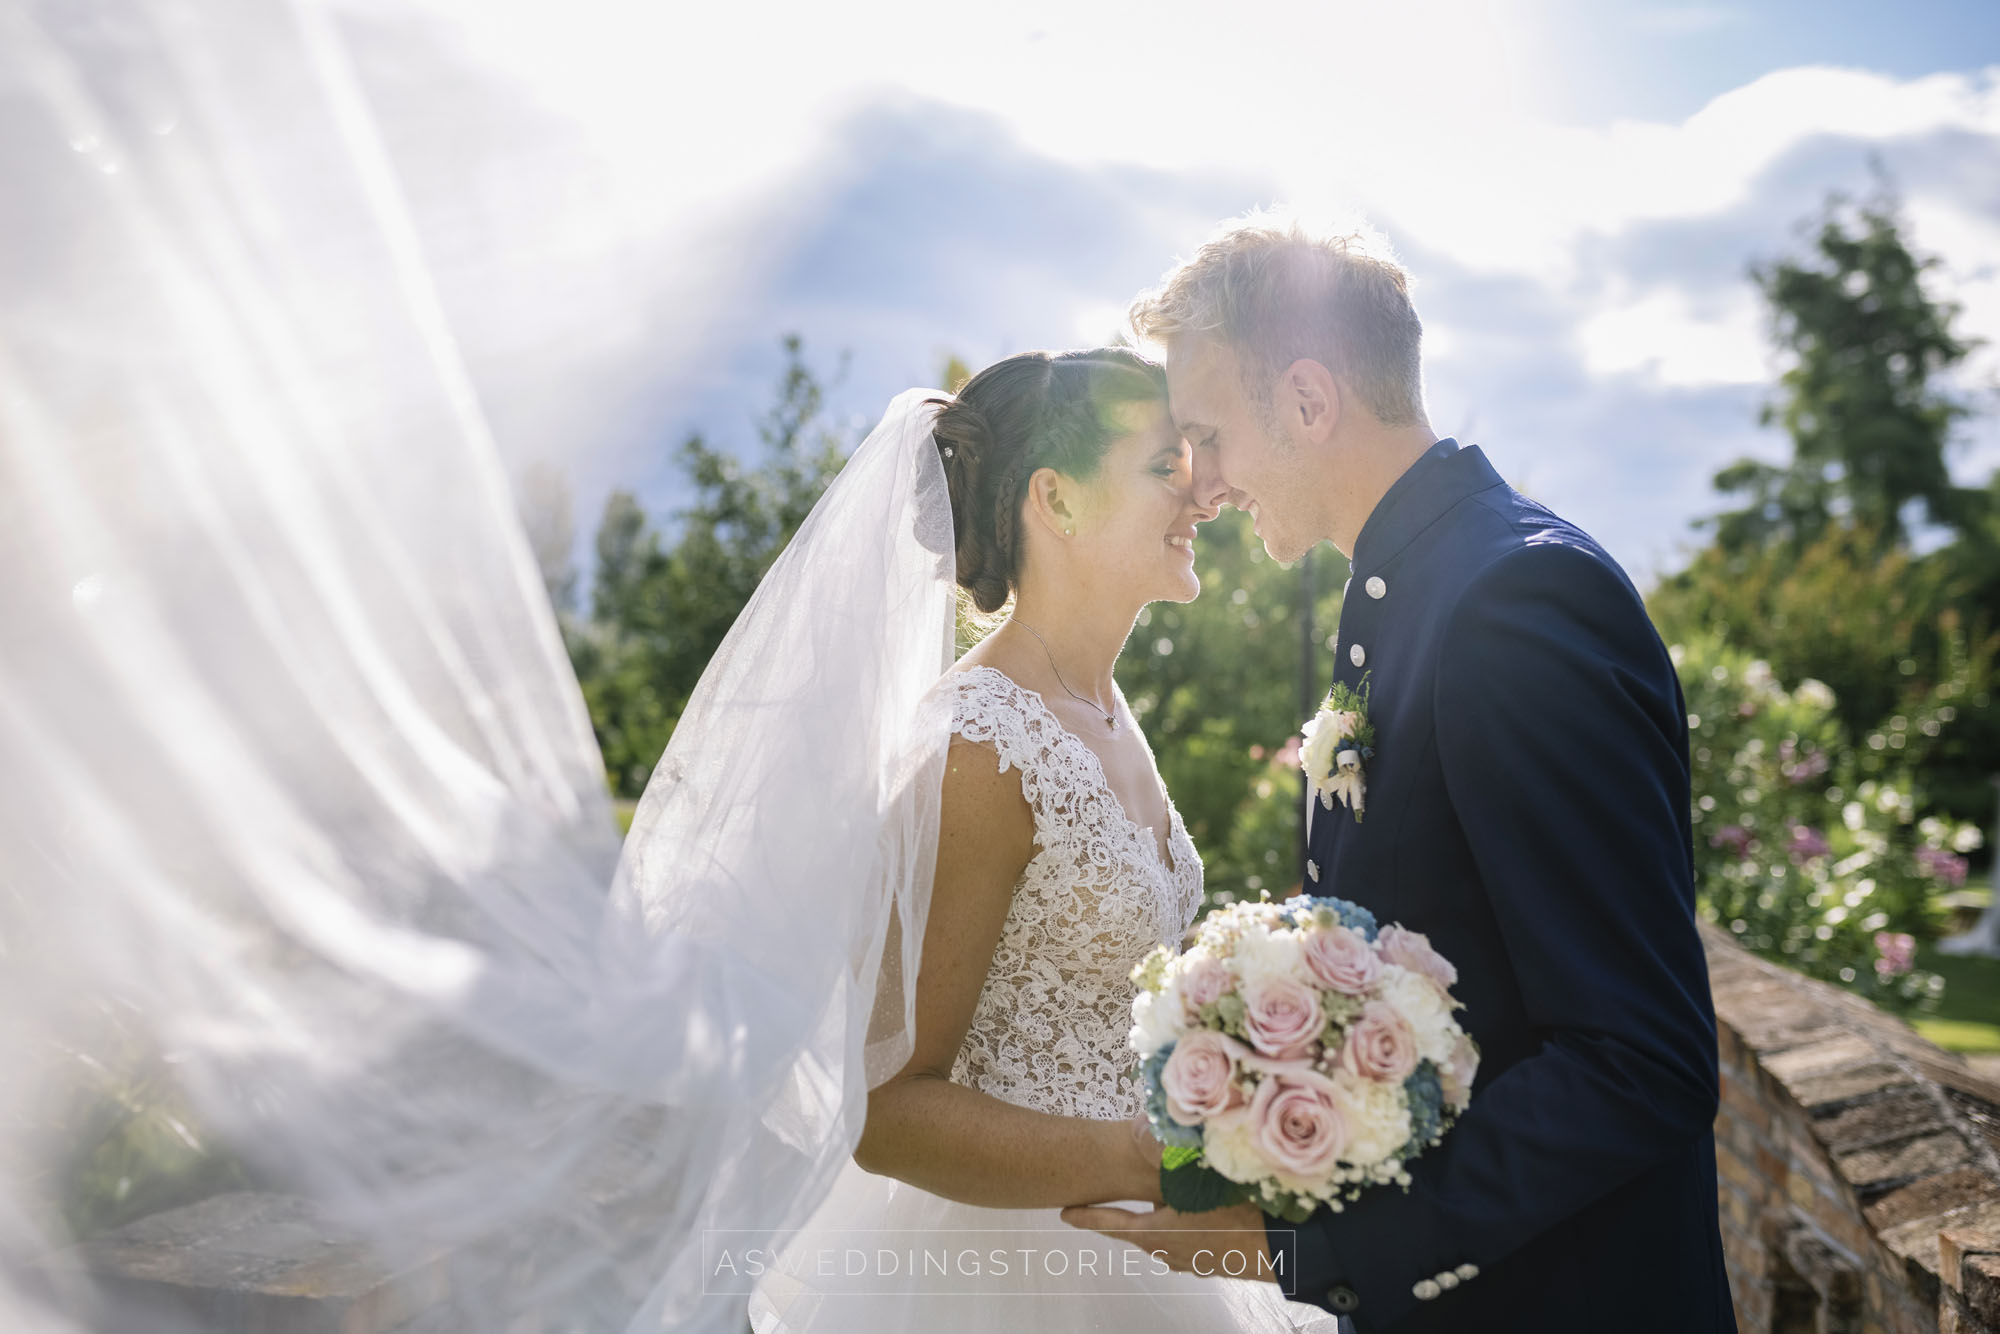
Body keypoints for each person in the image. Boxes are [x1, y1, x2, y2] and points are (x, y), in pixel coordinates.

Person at [1064, 218, 1737, 1333]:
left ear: (1309, 400)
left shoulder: (1510, 604)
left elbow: (1635, 1059)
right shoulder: (1409, 591)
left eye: (1209, 434)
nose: (1205, 481)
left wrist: (1312, 1247)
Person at [745, 348, 1336, 1332]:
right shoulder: (981, 742)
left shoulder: (1101, 707)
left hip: (1144, 1247)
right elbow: (884, 1106)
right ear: (1054, 499)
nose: (1202, 493)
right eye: (1162, 466)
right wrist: (1159, 1158)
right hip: (1010, 1276)